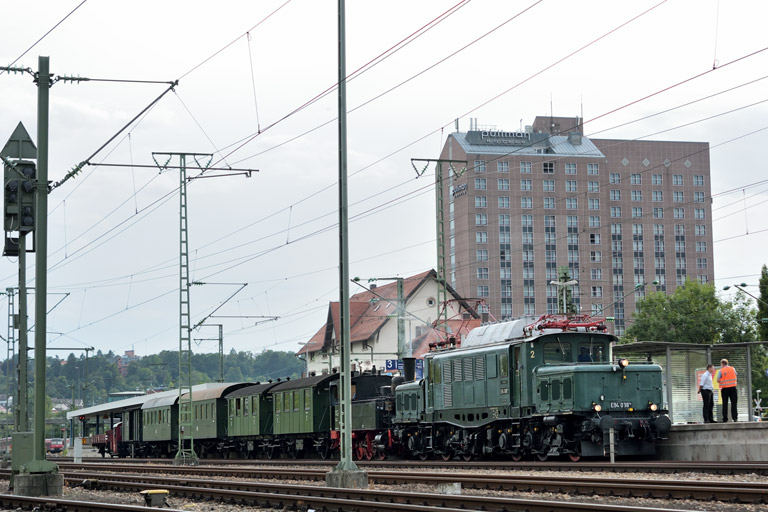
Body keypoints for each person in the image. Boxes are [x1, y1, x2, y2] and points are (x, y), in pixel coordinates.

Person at [716, 358, 738, 422]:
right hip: (733, 388)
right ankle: (735, 418)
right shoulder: (732, 368)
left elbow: (718, 380)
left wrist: (723, 381)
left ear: (722, 364)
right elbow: (736, 375)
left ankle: (725, 418)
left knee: (725, 404)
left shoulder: (721, 370)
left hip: (725, 389)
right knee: (734, 403)